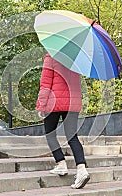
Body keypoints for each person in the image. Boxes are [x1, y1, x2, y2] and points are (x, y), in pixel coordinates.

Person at [36, 53, 90, 189]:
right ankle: (82, 170)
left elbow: (45, 85)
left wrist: (41, 106)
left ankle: (61, 164)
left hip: (54, 103)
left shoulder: (50, 58)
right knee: (72, 137)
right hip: (72, 102)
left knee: (50, 134)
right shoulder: (75, 59)